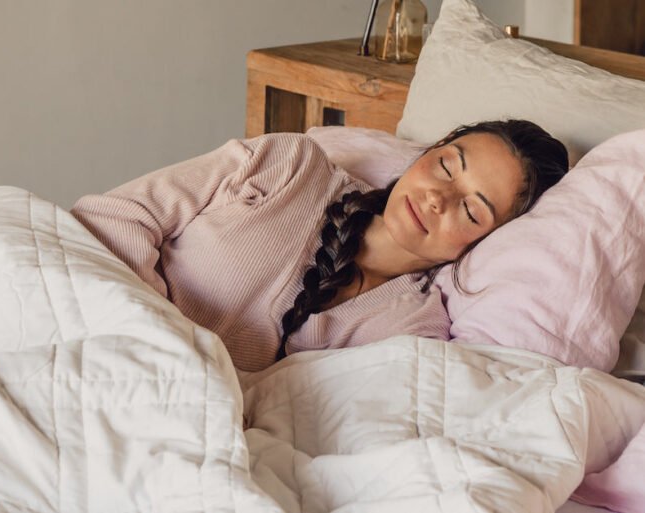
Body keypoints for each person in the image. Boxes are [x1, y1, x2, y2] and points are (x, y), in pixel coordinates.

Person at [71, 120, 568, 372]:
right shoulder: (290, 165)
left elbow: (309, 426)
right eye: (445, 165)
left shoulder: (409, 329)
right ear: (426, 154)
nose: (438, 198)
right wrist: (149, 336)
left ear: (490, 242)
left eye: (472, 209)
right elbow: (114, 218)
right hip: (86, 328)